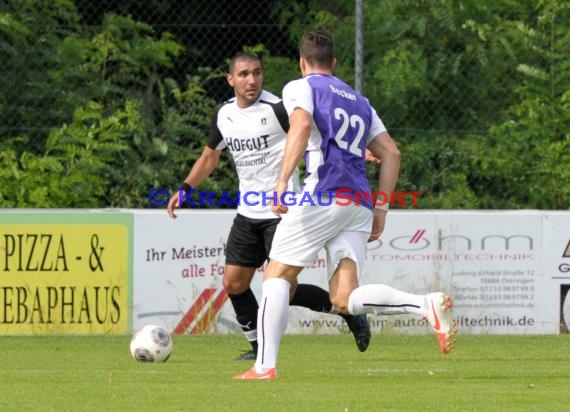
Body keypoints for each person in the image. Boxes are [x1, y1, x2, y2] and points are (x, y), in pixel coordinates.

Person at [234, 29, 457, 380]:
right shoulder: (359, 101)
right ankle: (424, 304)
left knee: (275, 275)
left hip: (322, 195)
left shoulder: (300, 86)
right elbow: (392, 154)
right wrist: (381, 208)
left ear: (302, 62)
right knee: (343, 298)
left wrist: (281, 183)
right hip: (359, 205)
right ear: (334, 63)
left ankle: (264, 366)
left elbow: (302, 123)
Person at [166, 52, 371, 360]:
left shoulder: (277, 108)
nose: (252, 80)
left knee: (283, 289)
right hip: (247, 214)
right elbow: (210, 156)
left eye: (257, 73)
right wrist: (185, 188)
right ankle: (258, 348)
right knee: (234, 283)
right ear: (231, 79)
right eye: (245, 74)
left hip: (283, 210)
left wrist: (359, 149)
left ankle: (348, 311)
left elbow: (315, 129)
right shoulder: (224, 115)